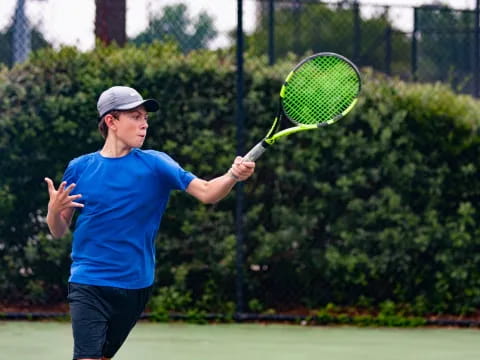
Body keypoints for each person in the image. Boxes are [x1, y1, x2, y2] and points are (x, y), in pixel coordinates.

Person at [44, 85, 255, 360]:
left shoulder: (156, 164)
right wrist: (53, 210)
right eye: (136, 117)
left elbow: (207, 192)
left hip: (135, 285)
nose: (144, 125)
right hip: (88, 280)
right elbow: (59, 230)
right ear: (111, 121)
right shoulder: (80, 168)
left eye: (145, 118)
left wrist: (232, 176)